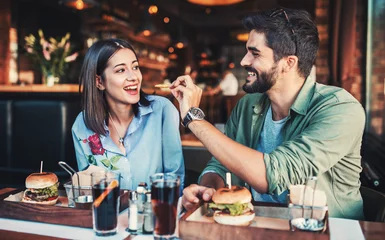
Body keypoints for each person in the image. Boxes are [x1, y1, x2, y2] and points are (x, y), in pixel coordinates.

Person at [171, 8, 365, 220]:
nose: (244, 61)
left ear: (288, 63)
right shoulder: (247, 105)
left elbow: (272, 174)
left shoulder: (340, 109)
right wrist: (208, 189)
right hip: (256, 224)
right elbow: (220, 164)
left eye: (255, 53)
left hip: (328, 231)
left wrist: (193, 118)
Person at [72, 39, 184, 190]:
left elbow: (175, 179)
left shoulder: (162, 110)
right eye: (120, 70)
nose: (134, 77)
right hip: (107, 211)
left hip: (156, 210)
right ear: (99, 82)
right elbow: (86, 186)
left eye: (135, 67)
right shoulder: (82, 124)